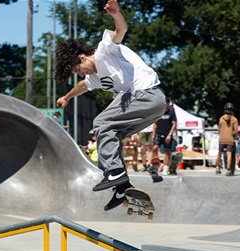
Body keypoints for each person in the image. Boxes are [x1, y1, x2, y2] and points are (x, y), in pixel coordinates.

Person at [54, 0, 166, 211]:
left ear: (82, 56)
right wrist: (67, 97)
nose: (82, 73)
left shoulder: (105, 50)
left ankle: (116, 173)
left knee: (101, 122)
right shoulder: (95, 76)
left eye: (79, 69)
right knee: (111, 135)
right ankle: (122, 187)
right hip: (153, 106)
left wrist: (116, 14)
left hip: (147, 95)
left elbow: (121, 29)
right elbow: (83, 86)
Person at [152, 97, 177, 175]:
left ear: (167, 104)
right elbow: (155, 124)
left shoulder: (171, 113)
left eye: (165, 103)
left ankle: (165, 168)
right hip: (159, 133)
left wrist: (170, 135)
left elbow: (174, 124)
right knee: (155, 148)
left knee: (167, 151)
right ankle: (157, 165)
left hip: (167, 135)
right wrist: (153, 134)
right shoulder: (159, 113)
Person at [215, 103, 238, 176]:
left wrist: (222, 133)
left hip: (222, 138)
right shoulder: (234, 119)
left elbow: (219, 129)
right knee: (229, 154)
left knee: (220, 153)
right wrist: (233, 135)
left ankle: (217, 167)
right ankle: (228, 169)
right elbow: (236, 131)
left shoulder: (221, 118)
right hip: (230, 138)